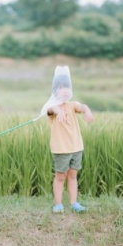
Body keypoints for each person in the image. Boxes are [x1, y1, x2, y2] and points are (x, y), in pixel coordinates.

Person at [45, 66, 94, 213]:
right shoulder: (52, 107)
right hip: (61, 149)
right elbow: (50, 110)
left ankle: (74, 203)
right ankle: (58, 204)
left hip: (76, 147)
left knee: (73, 175)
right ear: (55, 90)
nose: (65, 91)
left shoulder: (73, 105)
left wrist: (87, 110)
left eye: (67, 87)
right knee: (60, 176)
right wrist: (58, 110)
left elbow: (82, 106)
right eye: (61, 88)